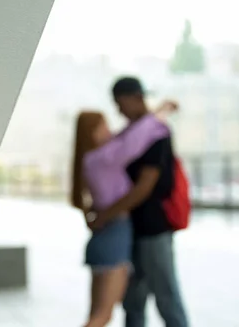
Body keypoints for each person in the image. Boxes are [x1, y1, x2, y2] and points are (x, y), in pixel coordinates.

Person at [88, 77, 188, 327]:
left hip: (153, 228)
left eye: (120, 103)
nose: (118, 110)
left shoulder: (155, 135)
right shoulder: (133, 134)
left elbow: (144, 186)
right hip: (130, 229)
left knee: (166, 295)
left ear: (135, 98)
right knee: (133, 301)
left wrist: (106, 214)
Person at [71, 101, 177, 327]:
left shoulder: (90, 161)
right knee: (102, 317)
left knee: (96, 315)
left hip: (103, 239)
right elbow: (134, 140)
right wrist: (162, 111)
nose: (110, 132)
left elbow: (127, 137)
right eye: (104, 127)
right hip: (114, 235)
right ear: (92, 133)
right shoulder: (105, 158)